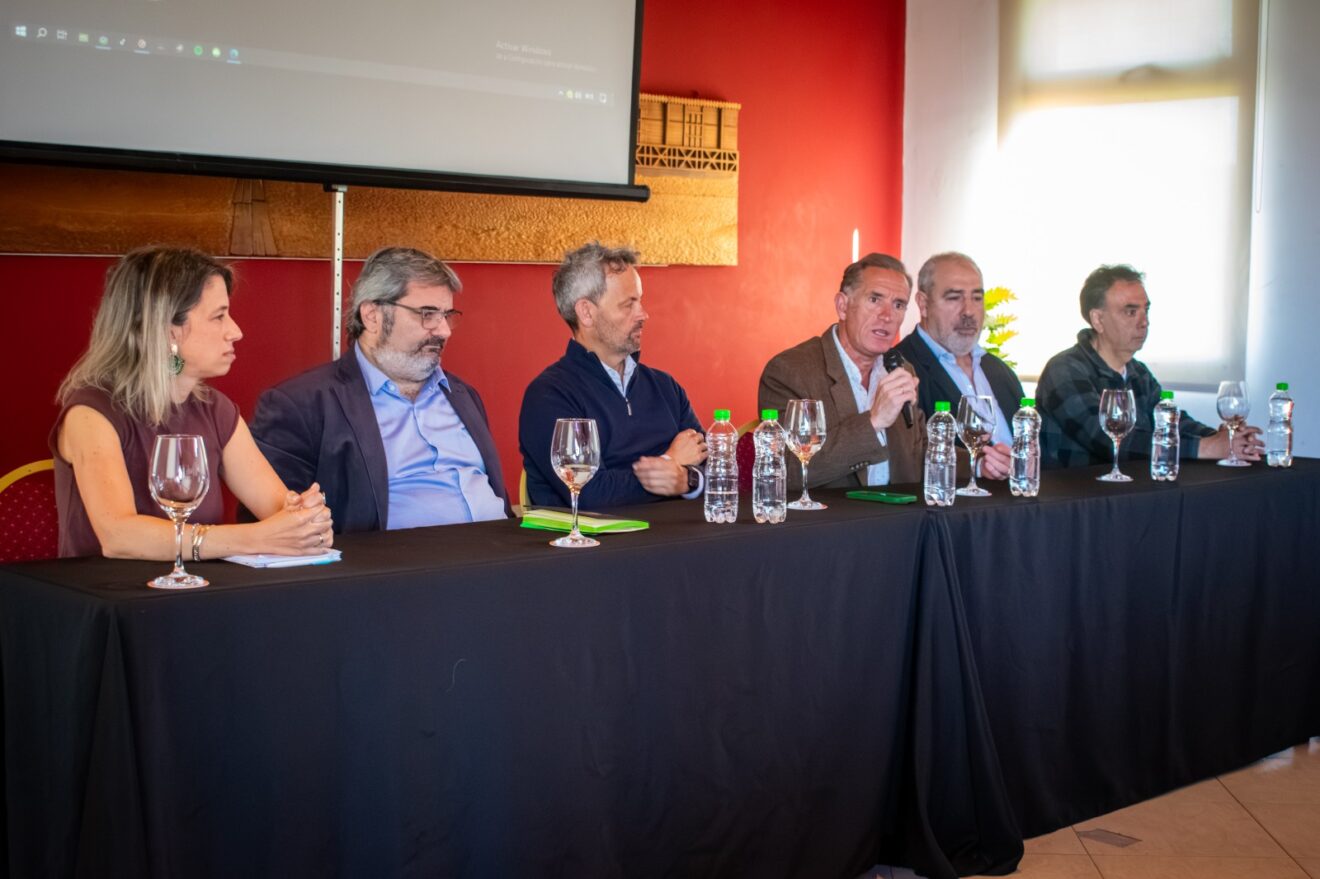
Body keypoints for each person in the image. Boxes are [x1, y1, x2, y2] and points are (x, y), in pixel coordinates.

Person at [52, 246, 333, 559]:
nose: (236, 332)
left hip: (199, 586)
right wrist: (256, 538)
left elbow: (281, 513)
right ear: (169, 330)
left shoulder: (216, 410)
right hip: (110, 588)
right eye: (219, 316)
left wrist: (307, 521)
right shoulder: (90, 413)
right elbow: (119, 537)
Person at [250, 247, 510, 531]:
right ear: (372, 316)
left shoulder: (462, 394)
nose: (444, 330)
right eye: (427, 314)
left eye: (447, 315)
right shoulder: (301, 404)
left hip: (501, 548)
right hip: (396, 558)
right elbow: (278, 529)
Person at [519, 242, 706, 508]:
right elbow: (589, 493)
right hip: (594, 536)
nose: (643, 314)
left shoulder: (666, 387)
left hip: (683, 533)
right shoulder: (550, 395)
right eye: (628, 304)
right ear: (586, 312)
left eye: (640, 300)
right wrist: (670, 463)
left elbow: (717, 469)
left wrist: (687, 480)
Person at [1036, 264, 1263, 468]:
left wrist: (1223, 439)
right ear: (1098, 319)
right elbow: (1107, 439)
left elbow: (1172, 422)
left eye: (1146, 310)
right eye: (1131, 312)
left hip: (1134, 491)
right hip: (1079, 496)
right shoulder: (1064, 369)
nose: (1144, 322)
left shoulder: (1138, 372)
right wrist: (1206, 447)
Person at [758, 252, 925, 488]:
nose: (887, 316)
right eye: (875, 300)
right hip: (830, 512)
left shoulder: (900, 369)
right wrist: (874, 421)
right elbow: (787, 470)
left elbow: (921, 452)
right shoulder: (790, 371)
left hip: (901, 510)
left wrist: (977, 462)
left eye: (898, 305)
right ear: (843, 306)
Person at [892, 252, 1020, 480]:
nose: (969, 311)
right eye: (954, 298)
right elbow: (905, 457)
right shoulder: (898, 368)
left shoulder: (998, 370)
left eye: (977, 298)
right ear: (923, 304)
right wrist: (979, 466)